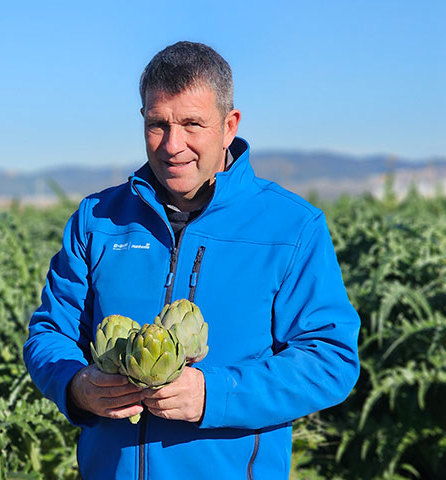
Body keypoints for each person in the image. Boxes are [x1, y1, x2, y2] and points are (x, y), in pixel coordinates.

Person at [22, 41, 360, 479]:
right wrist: (76, 385)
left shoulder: (291, 228)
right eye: (157, 124)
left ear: (229, 125)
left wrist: (213, 395)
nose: (172, 145)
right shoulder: (97, 219)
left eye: (192, 124)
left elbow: (330, 359)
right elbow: (49, 331)